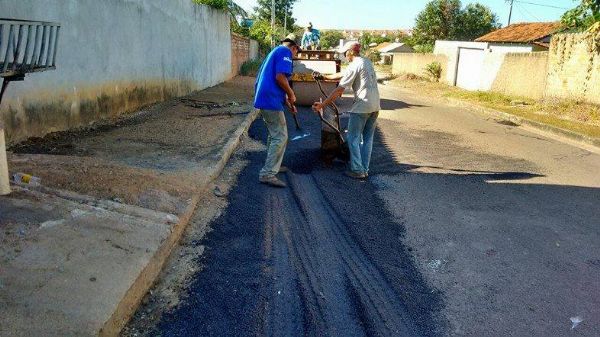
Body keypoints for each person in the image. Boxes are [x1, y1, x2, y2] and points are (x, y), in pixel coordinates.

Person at [312, 41, 380, 180]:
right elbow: (344, 74)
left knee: (353, 138)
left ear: (350, 52)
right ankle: (364, 169)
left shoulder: (354, 64)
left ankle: (357, 170)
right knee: (367, 139)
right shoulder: (366, 62)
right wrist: (325, 76)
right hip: (375, 106)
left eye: (344, 54)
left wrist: (322, 105)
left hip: (362, 106)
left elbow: (339, 90)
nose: (344, 56)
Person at [254, 37, 301, 188]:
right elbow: (280, 77)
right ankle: (267, 173)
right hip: (270, 100)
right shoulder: (285, 52)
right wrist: (292, 94)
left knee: (274, 135)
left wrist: (287, 102)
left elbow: (276, 82)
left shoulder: (275, 51)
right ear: (293, 47)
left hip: (267, 98)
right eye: (296, 52)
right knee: (280, 137)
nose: (295, 56)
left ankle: (274, 164)